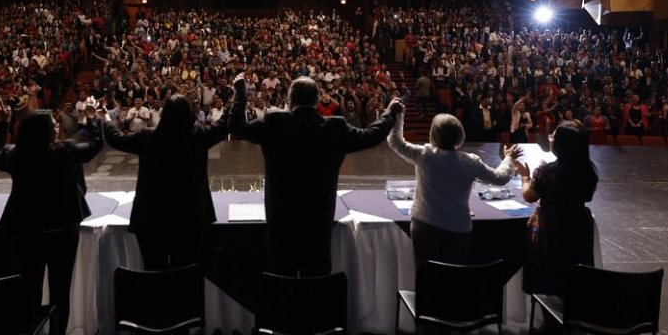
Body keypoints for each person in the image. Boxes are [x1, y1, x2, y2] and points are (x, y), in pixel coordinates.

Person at [229, 75, 399, 277]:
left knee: (281, 284)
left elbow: (236, 126)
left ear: (290, 101)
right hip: (318, 227)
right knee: (316, 290)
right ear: (318, 102)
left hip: (281, 225)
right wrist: (390, 114)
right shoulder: (335, 128)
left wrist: (240, 93)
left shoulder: (274, 122)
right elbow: (372, 135)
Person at [0, 98, 102, 335]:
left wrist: (1, 126)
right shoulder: (65, 151)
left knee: (29, 288)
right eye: (53, 124)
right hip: (62, 229)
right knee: (60, 289)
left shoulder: (15, 155)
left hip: (26, 230)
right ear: (47, 132)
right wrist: (92, 119)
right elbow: (95, 145)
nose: (57, 126)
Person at [103, 93, 229, 269]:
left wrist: (105, 117)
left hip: (151, 221)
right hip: (189, 220)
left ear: (164, 113)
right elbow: (225, 124)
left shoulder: (147, 137)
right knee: (186, 274)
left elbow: (116, 139)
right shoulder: (198, 136)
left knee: (155, 276)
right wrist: (238, 95)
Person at [387, 105, 519, 269]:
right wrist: (508, 159)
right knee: (454, 282)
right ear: (459, 135)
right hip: (458, 228)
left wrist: (398, 115)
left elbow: (395, 141)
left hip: (425, 225)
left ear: (433, 134)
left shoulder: (425, 155)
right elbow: (500, 178)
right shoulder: (470, 162)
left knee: (427, 278)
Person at [515, 122, 598, 296]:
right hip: (578, 225)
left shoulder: (547, 171)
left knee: (548, 276)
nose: (550, 138)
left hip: (552, 226)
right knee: (572, 271)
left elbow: (529, 196)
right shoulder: (589, 171)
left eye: (553, 136)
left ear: (561, 144)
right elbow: (587, 196)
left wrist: (525, 177)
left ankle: (549, 319)